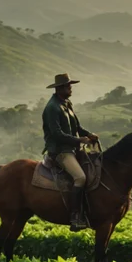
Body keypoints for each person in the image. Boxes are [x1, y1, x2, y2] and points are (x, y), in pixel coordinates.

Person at [42, 73, 98, 231]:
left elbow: (77, 127)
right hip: (61, 151)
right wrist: (79, 140)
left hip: (73, 148)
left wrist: (88, 134)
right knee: (80, 177)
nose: (70, 88)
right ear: (60, 89)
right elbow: (56, 134)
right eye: (68, 86)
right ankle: (75, 217)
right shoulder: (52, 108)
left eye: (70, 85)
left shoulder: (66, 103)